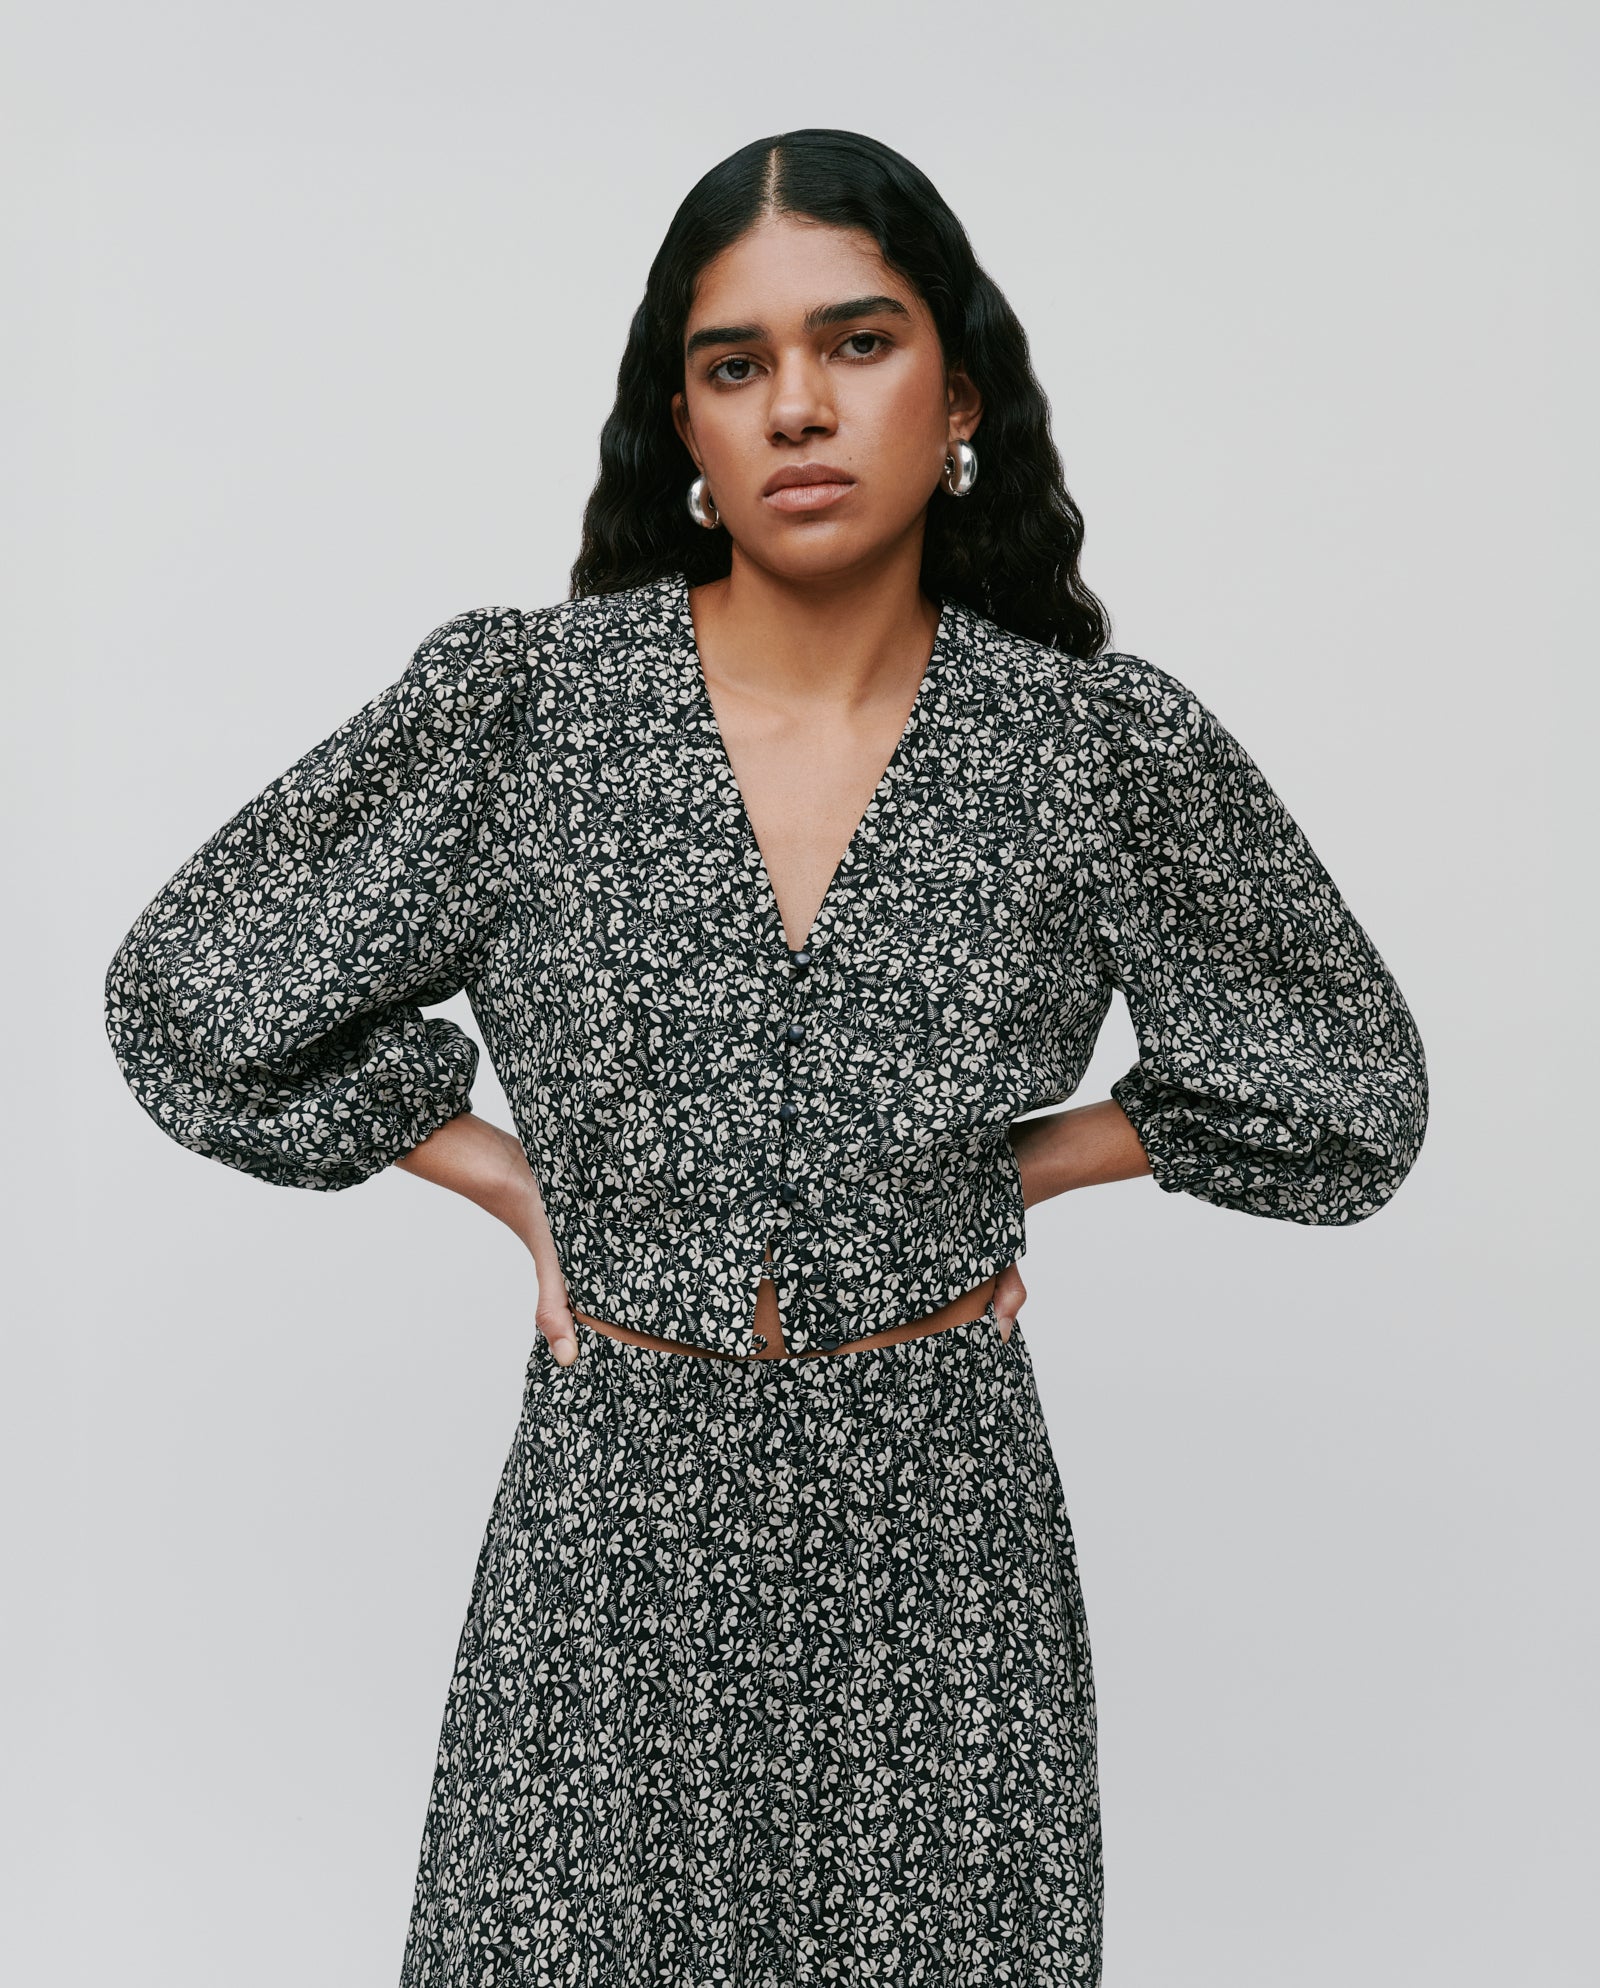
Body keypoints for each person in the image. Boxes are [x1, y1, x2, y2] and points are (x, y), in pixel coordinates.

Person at [102, 128, 1428, 1988]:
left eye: (858, 344)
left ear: (958, 392)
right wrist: (501, 1173)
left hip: (941, 1567)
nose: (799, 406)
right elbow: (194, 991)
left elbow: (1345, 1094)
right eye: (739, 365)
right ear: (688, 428)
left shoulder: (1092, 748)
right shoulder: (533, 710)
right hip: (610, 1552)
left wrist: (1011, 1169)